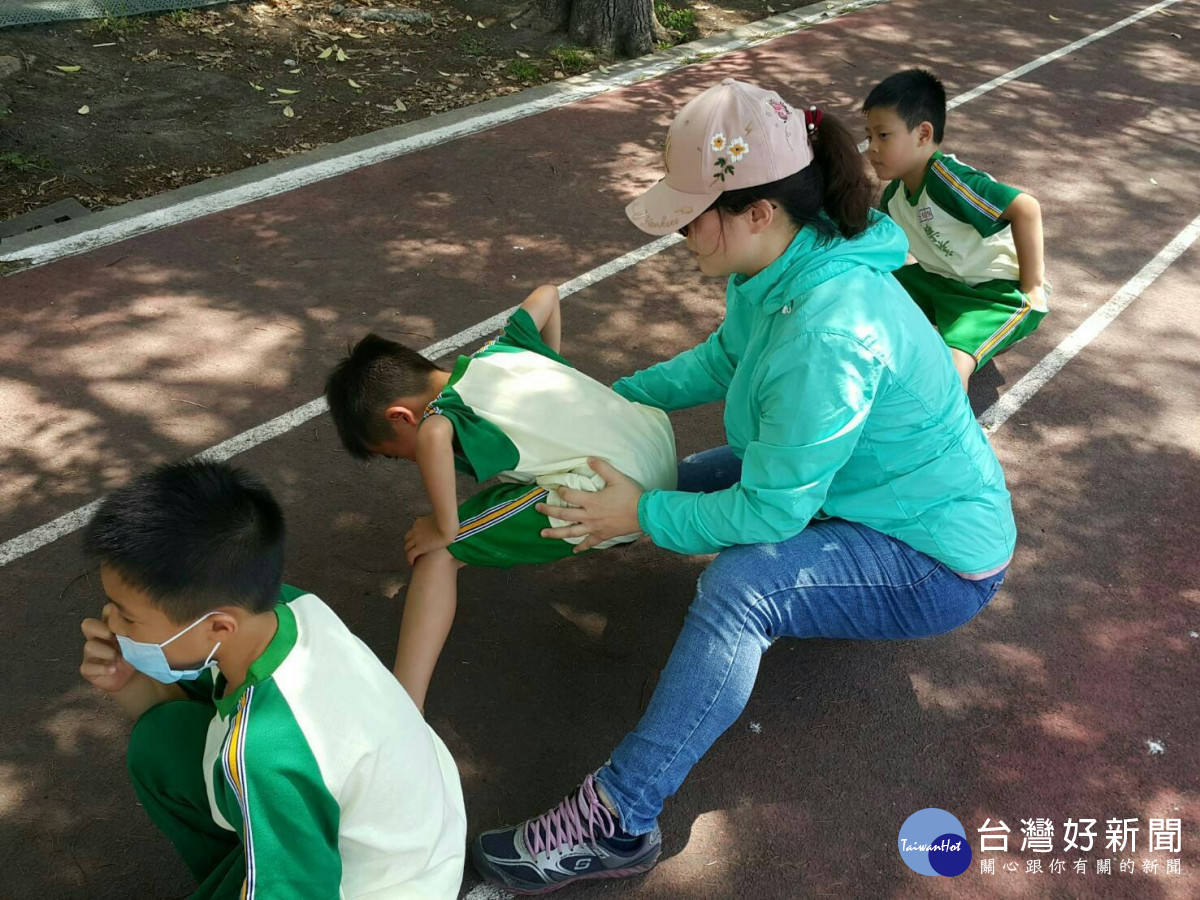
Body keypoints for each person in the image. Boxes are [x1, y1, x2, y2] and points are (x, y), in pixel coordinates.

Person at [470, 77, 1016, 894]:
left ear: (757, 210)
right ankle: (631, 524)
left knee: (743, 583)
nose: (680, 232)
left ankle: (619, 818)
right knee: (703, 478)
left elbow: (769, 509)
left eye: (692, 214)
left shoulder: (826, 333)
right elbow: (723, 359)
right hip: (860, 491)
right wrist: (611, 401)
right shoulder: (786, 260)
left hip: (933, 559)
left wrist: (646, 513)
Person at [77, 460, 466, 899]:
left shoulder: (265, 750)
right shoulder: (283, 609)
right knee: (162, 741)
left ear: (218, 628)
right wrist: (129, 680)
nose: (110, 622)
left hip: (379, 885)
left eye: (127, 615)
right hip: (418, 827)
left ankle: (258, 868)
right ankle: (251, 861)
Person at [323, 284, 677, 712]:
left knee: (439, 552)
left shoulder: (445, 414)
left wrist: (443, 527)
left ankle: (403, 709)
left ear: (401, 417)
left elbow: (434, 433)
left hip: (609, 493)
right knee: (489, 508)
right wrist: (554, 361)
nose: (405, 460)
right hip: (655, 446)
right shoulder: (502, 349)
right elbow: (547, 294)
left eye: (395, 454)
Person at [863, 68, 1049, 391]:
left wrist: (1032, 288)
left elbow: (1026, 208)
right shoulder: (894, 197)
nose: (871, 148)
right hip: (942, 282)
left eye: (883, 135)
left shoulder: (947, 180)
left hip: (993, 293)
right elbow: (877, 247)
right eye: (868, 137)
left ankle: (948, 434)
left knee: (951, 367)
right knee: (866, 286)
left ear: (923, 134)